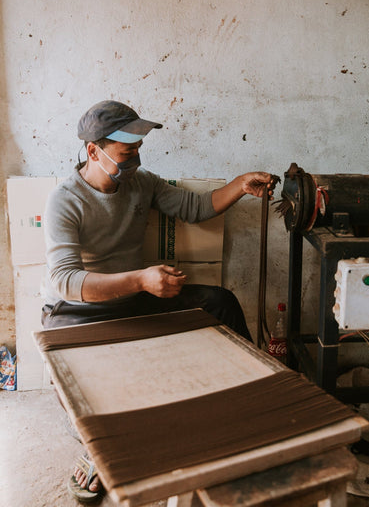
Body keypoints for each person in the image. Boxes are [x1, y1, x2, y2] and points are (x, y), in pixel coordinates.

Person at [43, 100, 278, 502]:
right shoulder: (64, 200)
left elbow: (196, 208)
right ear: (94, 151)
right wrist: (141, 279)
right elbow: (65, 281)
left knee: (219, 302)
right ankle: (95, 449)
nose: (136, 158)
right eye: (127, 151)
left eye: (138, 148)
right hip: (77, 311)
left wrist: (240, 184)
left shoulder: (141, 183)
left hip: (133, 297)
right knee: (83, 378)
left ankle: (257, 407)